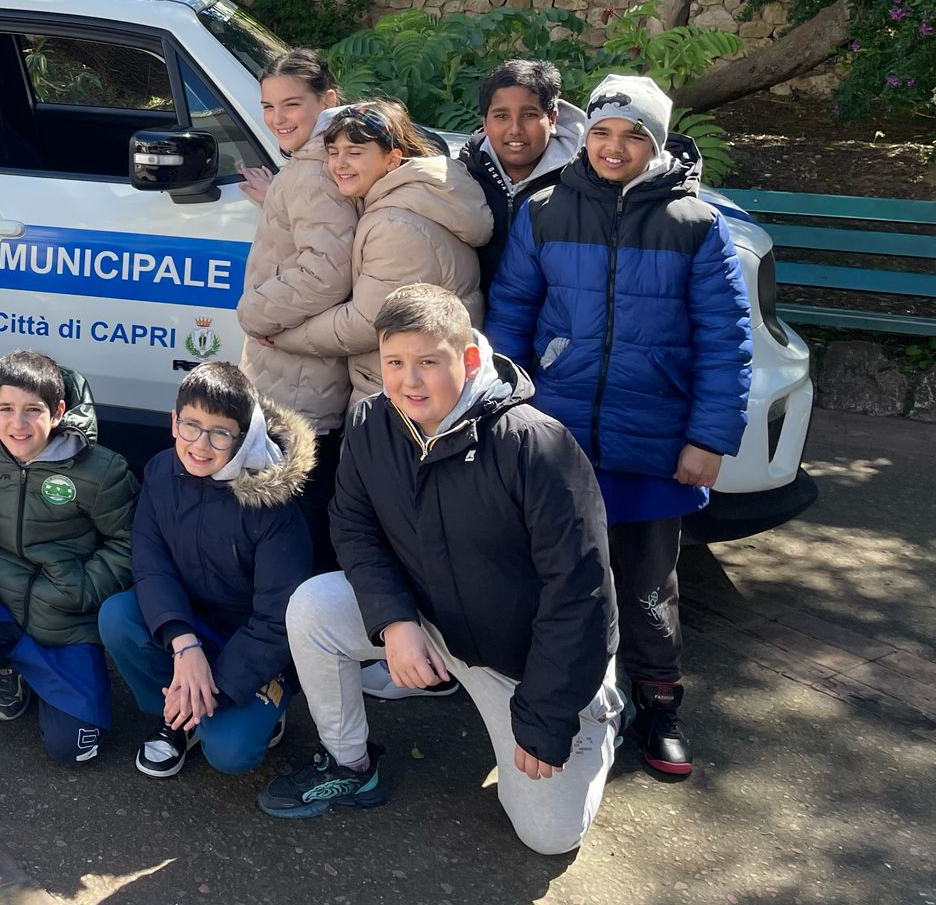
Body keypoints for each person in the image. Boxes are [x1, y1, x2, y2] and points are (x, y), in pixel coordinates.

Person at [258, 285, 622, 857]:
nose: (409, 381)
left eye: (429, 362)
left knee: (548, 835)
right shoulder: (372, 422)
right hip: (429, 622)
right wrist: (395, 621)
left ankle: (596, 715)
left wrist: (547, 717)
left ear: (470, 358)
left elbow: (581, 595)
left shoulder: (535, 444)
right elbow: (354, 530)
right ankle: (349, 762)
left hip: (519, 659)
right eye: (395, 363)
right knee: (313, 606)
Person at [487, 73, 751, 780]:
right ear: (584, 135)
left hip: (653, 444)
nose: (615, 147)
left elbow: (726, 342)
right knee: (560, 582)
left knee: (645, 587)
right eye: (603, 132)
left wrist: (709, 438)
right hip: (559, 437)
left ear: (656, 144)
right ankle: (557, 703)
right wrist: (505, 419)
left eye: (634, 136)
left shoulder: (696, 226)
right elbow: (509, 322)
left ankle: (658, 706)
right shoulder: (544, 210)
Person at [99, 362, 313, 780]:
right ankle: (178, 713)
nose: (201, 444)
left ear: (244, 435)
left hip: (257, 647)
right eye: (191, 426)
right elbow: (151, 564)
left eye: (220, 433)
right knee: (117, 615)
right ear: (173, 421)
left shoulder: (272, 503)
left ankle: (229, 707)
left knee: (230, 753)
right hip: (195, 628)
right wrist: (184, 644)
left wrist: (222, 683)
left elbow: (277, 619)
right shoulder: (162, 470)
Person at [0, 351, 138, 765]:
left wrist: (80, 588)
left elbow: (130, 544)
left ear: (58, 411)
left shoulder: (102, 470)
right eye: (5, 409)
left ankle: (42, 673)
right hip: (0, 597)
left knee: (73, 750)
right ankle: (10, 667)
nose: (18, 424)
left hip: (67, 613)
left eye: (33, 411)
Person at [262, 97, 493, 410]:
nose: (339, 164)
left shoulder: (395, 224)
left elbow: (367, 322)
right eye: (334, 153)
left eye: (355, 153)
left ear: (393, 159)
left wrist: (284, 335)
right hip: (413, 389)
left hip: (400, 398)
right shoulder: (410, 199)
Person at [233, 48, 356, 573]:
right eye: (267, 106)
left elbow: (326, 271)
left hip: (298, 386)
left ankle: (294, 643)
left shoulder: (311, 172)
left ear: (327, 101)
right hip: (307, 379)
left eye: (292, 104)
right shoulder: (320, 160)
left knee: (294, 533)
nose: (278, 118)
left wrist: (254, 314)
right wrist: (276, 198)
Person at [458, 59, 588, 289]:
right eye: (501, 116)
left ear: (552, 118)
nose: (515, 129)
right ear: (485, 122)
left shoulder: (583, 181)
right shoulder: (463, 176)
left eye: (528, 115)